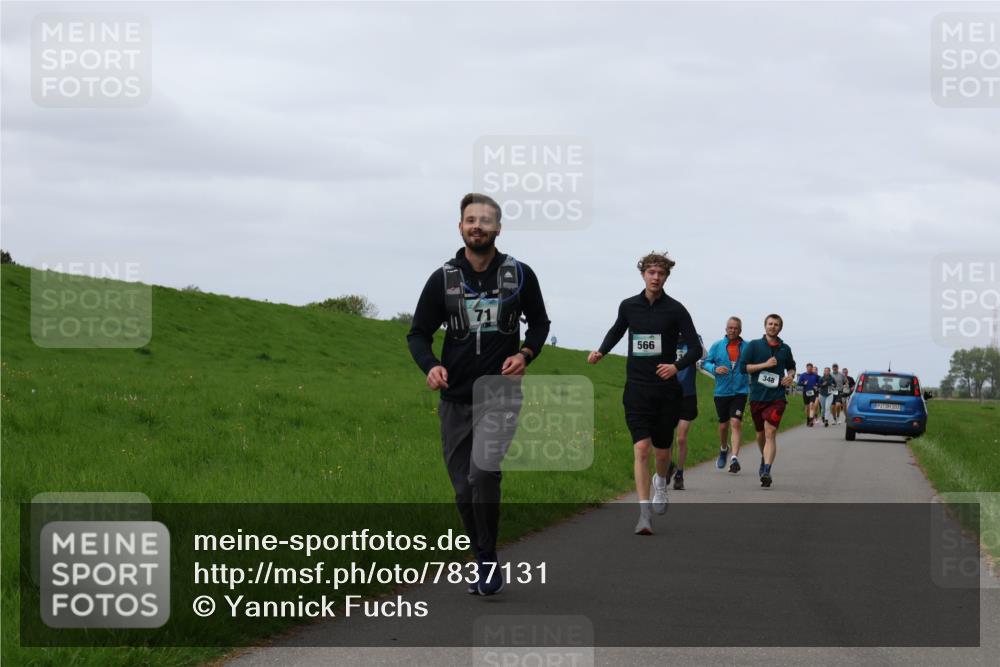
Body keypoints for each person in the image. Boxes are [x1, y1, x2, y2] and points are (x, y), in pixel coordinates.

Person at [407, 193, 550, 596]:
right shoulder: (443, 278)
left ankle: (485, 559)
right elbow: (418, 333)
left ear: (498, 229)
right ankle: (484, 555)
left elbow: (539, 323)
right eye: (471, 220)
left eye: (486, 221)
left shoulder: (519, 274)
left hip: (500, 394)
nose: (478, 226)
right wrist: (430, 365)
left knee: (483, 473)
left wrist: (525, 353)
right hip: (455, 398)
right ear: (460, 227)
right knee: (462, 489)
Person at [588, 251, 701, 534]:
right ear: (643, 275)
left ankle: (660, 483)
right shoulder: (629, 306)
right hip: (637, 388)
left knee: (662, 454)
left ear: (666, 277)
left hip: (666, 392)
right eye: (651, 272)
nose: (655, 277)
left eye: (660, 273)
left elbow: (696, 348)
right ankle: (643, 514)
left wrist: (675, 367)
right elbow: (616, 330)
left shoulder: (676, 310)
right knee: (641, 448)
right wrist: (601, 350)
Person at [739, 314, 796, 488]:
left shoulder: (785, 348)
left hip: (777, 397)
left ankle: (767, 470)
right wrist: (764, 365)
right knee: (760, 434)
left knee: (770, 432)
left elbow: (792, 367)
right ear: (765, 326)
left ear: (780, 328)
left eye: (776, 324)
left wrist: (790, 376)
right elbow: (743, 368)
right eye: (770, 324)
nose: (773, 326)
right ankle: (764, 457)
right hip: (757, 396)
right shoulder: (754, 346)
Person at [701, 317, 749, 473]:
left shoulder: (747, 347)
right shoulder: (717, 345)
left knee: (735, 423)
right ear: (726, 329)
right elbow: (705, 362)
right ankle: (723, 448)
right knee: (723, 426)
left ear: (740, 330)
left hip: (740, 391)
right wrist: (715, 369)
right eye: (730, 327)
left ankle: (734, 458)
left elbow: (755, 363)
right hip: (722, 392)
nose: (733, 330)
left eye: (736, 328)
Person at [668, 332, 705, 489]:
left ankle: (680, 474)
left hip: (687, 395)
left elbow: (703, 355)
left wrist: (693, 339)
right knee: (666, 438)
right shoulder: (665, 336)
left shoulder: (694, 339)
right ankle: (669, 465)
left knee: (681, 438)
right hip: (667, 394)